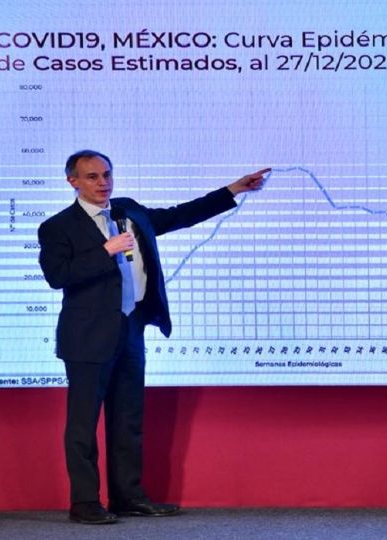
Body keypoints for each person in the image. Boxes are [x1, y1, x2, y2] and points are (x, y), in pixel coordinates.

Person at [38, 150, 268, 524]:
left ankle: (128, 497)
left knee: (127, 418)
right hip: (87, 338)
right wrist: (105, 251)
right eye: (93, 177)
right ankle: (84, 503)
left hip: (130, 329)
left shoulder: (127, 211)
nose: (103, 183)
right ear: (73, 182)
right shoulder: (58, 226)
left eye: (107, 175)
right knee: (82, 424)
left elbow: (178, 215)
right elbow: (57, 275)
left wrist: (233, 190)